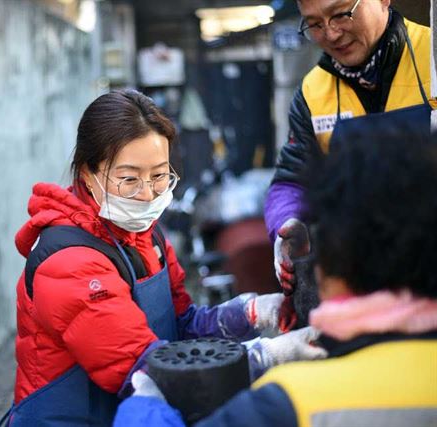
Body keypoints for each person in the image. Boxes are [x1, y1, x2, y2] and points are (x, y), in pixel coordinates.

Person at [0, 90, 324, 426]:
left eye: (159, 175)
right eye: (129, 179)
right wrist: (270, 354)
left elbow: (180, 325)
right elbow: (150, 371)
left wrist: (256, 312)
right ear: (87, 173)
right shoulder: (69, 263)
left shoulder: (146, 237)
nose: (147, 193)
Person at [114, 130, 437, 427]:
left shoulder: (287, 403)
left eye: (158, 176)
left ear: (334, 265)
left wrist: (142, 410)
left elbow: (182, 322)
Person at [266, 0, 435, 296]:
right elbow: (291, 180)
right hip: (365, 284)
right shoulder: (313, 93)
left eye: (342, 13)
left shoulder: (431, 56)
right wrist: (289, 222)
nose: (331, 34)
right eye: (315, 24)